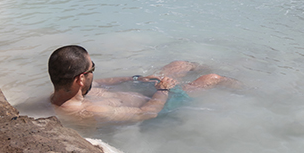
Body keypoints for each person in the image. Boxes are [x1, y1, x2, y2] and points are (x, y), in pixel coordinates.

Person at [48, 45, 239, 125]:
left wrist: (137, 78)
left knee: (179, 65)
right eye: (93, 69)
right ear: (81, 78)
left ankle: (229, 67)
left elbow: (105, 82)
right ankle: (251, 90)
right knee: (212, 78)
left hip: (147, 92)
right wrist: (163, 89)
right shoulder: (90, 110)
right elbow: (146, 114)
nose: (94, 74)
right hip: (162, 103)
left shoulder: (69, 92)